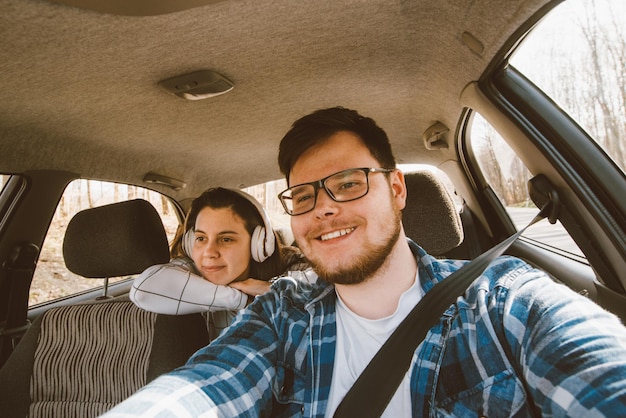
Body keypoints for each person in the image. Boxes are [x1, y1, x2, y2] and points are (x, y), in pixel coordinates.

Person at [104, 107, 626, 417]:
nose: (324, 207)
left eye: (350, 183)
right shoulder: (283, 313)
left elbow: (599, 371)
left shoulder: (499, 298)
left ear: (396, 189)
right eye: (303, 195)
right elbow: (206, 387)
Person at [130, 187, 315, 339]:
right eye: (201, 238)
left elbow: (329, 291)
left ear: (259, 244)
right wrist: (238, 298)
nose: (209, 253)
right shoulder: (193, 270)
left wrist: (270, 289)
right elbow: (143, 290)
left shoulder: (297, 268)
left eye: (226, 239)